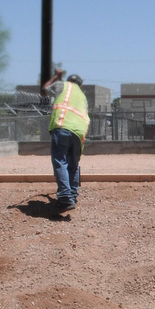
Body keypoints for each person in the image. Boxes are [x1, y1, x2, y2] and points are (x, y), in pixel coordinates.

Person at [42, 68, 89, 213]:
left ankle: (65, 197)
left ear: (70, 81)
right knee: (73, 164)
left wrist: (56, 76)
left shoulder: (63, 85)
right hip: (79, 132)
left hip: (62, 126)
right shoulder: (83, 96)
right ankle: (72, 196)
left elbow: (44, 90)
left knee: (60, 161)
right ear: (80, 85)